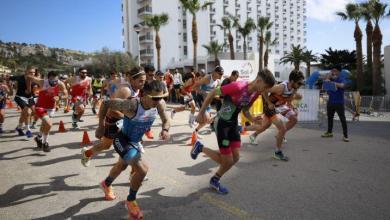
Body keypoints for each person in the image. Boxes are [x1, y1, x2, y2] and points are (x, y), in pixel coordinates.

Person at [192, 69, 276, 194]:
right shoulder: (238, 86)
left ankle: (214, 178)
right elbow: (213, 92)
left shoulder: (255, 94)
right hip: (221, 123)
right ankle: (201, 149)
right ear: (258, 81)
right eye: (264, 88)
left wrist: (253, 119)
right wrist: (200, 113)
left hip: (232, 124)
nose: (264, 92)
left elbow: (245, 110)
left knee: (235, 158)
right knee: (227, 161)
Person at [98, 80, 170, 219]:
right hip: (122, 139)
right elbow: (106, 103)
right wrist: (101, 126)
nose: (158, 100)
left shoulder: (159, 104)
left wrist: (165, 129)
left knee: (121, 166)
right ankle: (130, 200)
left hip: (135, 142)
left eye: (161, 97)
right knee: (142, 169)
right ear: (144, 95)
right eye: (154, 98)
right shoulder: (131, 104)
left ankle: (106, 184)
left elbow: (166, 119)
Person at [81, 67, 146, 167]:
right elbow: (112, 110)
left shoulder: (138, 89)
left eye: (144, 81)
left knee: (131, 146)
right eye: (141, 81)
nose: (143, 83)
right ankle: (87, 154)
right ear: (132, 79)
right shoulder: (125, 91)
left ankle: (135, 173)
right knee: (106, 145)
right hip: (114, 120)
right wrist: (100, 126)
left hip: (125, 122)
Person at [248, 70, 305, 161]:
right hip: (270, 106)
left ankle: (257, 135)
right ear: (292, 81)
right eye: (299, 83)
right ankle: (277, 152)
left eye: (301, 83)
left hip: (281, 105)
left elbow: (289, 99)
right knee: (276, 127)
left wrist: (292, 106)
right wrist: (269, 102)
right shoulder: (280, 87)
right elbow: (263, 90)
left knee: (294, 119)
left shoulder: (294, 88)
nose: (300, 85)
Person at [27, 71, 67, 152]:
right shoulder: (42, 82)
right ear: (48, 79)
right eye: (52, 81)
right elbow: (29, 77)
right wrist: (28, 89)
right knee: (48, 123)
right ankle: (45, 143)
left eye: (56, 81)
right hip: (40, 106)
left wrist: (60, 97)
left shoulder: (60, 84)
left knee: (45, 124)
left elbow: (66, 94)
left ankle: (38, 137)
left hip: (51, 108)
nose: (54, 82)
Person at [321, 65, 349, 142]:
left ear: (339, 72)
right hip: (330, 102)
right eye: (332, 71)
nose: (333, 72)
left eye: (335, 71)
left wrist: (333, 83)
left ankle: (345, 136)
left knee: (342, 119)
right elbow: (324, 84)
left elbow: (343, 85)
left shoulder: (341, 79)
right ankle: (329, 132)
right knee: (330, 118)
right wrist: (329, 76)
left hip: (339, 102)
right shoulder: (330, 79)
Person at [10, 66, 36, 137]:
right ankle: (28, 130)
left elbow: (36, 89)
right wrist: (11, 87)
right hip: (20, 97)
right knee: (27, 112)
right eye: (30, 72)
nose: (32, 73)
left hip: (30, 98)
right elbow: (8, 79)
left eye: (34, 72)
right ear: (26, 71)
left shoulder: (34, 79)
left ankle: (19, 127)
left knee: (32, 112)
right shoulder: (19, 78)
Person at [143, 64, 156, 139]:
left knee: (150, 117)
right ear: (145, 73)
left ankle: (147, 130)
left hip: (150, 104)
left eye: (153, 74)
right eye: (150, 75)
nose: (152, 77)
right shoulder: (141, 81)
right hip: (140, 102)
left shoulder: (154, 81)